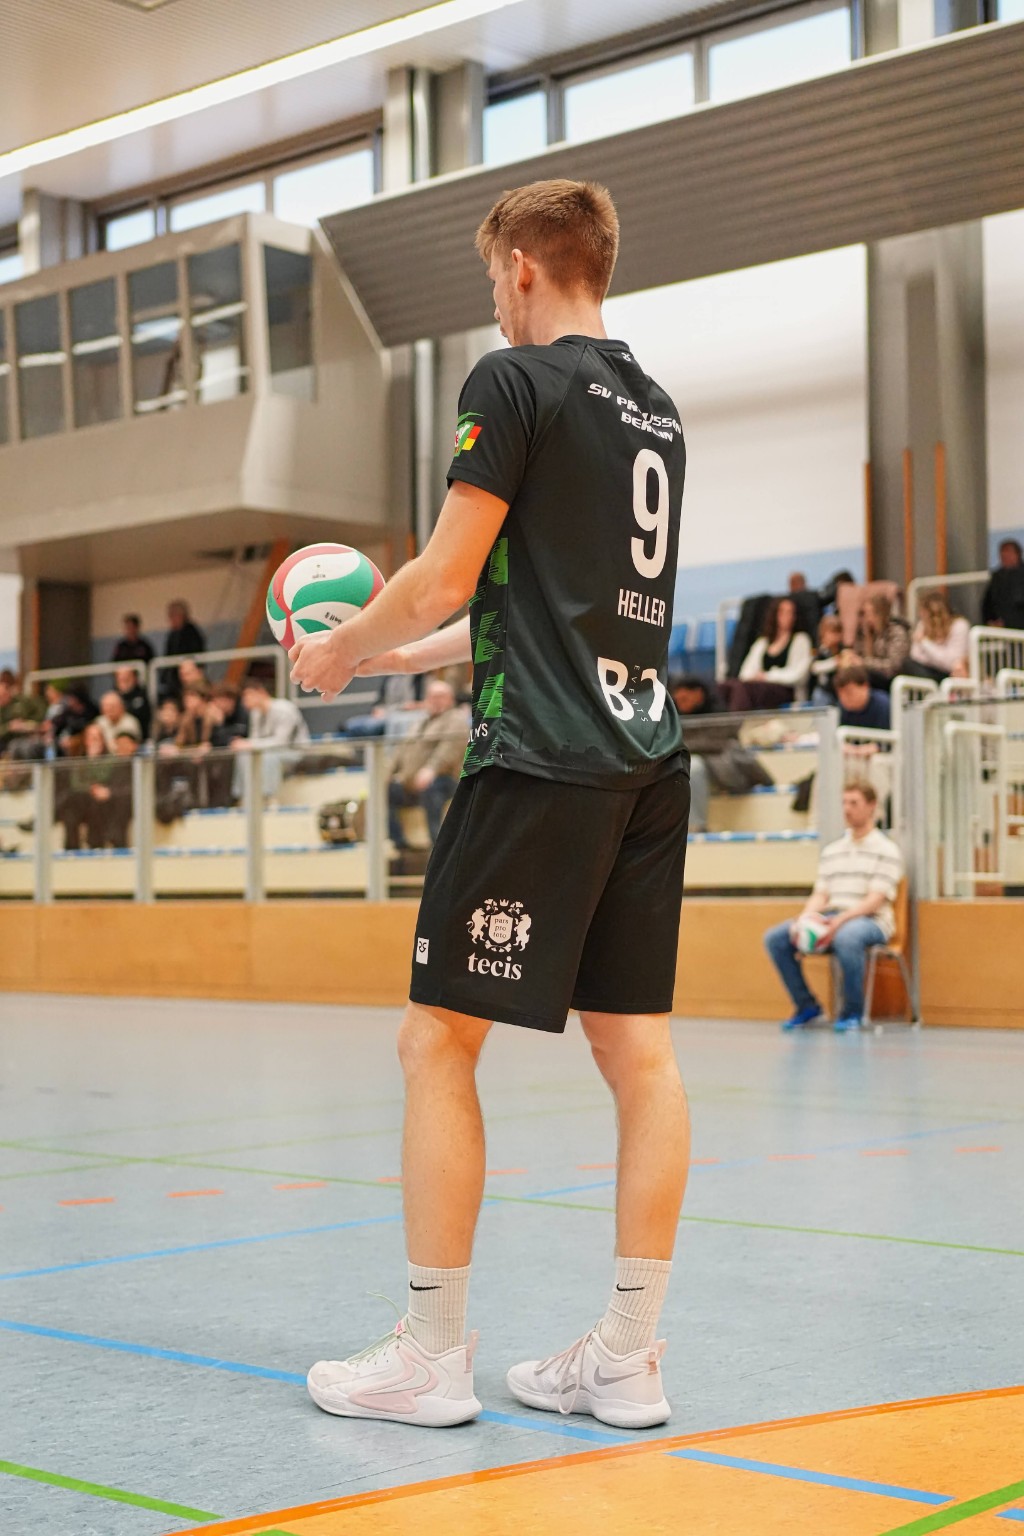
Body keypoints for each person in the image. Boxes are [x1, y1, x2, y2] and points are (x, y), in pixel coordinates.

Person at [290, 179, 690, 1431]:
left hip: (539, 763)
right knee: (640, 1056)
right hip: (644, 758)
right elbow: (532, 606)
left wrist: (342, 646)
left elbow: (443, 575)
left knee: (435, 1043)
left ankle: (431, 1353)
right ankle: (626, 1357)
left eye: (491, 282)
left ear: (521, 266)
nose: (495, 306)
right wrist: (392, 658)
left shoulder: (510, 382)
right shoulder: (654, 411)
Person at [763, 780, 903, 1032]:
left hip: (871, 921)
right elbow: (821, 895)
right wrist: (804, 920)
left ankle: (852, 1012)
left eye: (854, 803)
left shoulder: (887, 850)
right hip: (831, 917)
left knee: (847, 938)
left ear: (871, 806)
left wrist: (839, 922)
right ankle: (806, 1006)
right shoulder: (832, 851)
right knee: (776, 938)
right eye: (844, 803)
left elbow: (874, 900)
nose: (847, 809)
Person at [669, 674, 771, 832]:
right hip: (694, 763)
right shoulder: (673, 716)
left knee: (692, 767)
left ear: (698, 693)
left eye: (684, 699)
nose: (681, 703)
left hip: (721, 766)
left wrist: (683, 746)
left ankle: (696, 827)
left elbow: (717, 743)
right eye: (678, 700)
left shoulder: (719, 713)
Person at [387, 678, 470, 848]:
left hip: (446, 779)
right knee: (388, 791)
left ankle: (438, 845)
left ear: (450, 699)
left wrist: (431, 770)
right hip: (411, 781)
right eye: (432, 696)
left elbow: (448, 751)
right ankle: (401, 844)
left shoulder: (456, 719)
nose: (435, 700)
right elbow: (400, 750)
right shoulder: (420, 722)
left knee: (432, 789)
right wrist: (388, 775)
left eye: (440, 696)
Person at [723, 596, 812, 710]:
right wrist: (757, 677)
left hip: (785, 691)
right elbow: (745, 674)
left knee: (743, 689)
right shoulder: (762, 643)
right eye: (782, 612)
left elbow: (799, 675)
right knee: (726, 687)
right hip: (758, 688)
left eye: (790, 612)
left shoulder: (801, 640)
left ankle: (737, 720)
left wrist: (767, 676)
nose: (787, 616)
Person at [233, 676, 310, 799]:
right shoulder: (255, 713)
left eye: (248, 696)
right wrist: (244, 743)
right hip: (270, 750)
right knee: (244, 754)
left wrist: (250, 744)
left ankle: (268, 797)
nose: (245, 701)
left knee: (269, 756)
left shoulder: (284, 709)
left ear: (260, 692)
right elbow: (255, 739)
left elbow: (281, 742)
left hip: (294, 751)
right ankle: (244, 796)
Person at [851, 591, 909, 690]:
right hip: (872, 676)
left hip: (890, 680)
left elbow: (894, 666)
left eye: (868, 614)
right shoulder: (866, 632)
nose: (866, 619)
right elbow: (859, 654)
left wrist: (864, 663)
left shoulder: (896, 632)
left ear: (879, 614)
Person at [908, 593, 970, 682]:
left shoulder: (960, 626)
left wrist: (925, 643)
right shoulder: (922, 625)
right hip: (929, 670)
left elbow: (951, 663)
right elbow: (915, 655)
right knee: (909, 664)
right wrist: (938, 659)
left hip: (952, 675)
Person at [981, 539, 1024, 631]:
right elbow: (988, 603)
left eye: (1009, 553)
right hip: (1000, 629)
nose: (1005, 556)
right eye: (1002, 554)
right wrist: (991, 621)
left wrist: (1008, 622)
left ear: (1018, 554)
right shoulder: (997, 577)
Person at [835, 665, 891, 731]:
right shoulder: (841, 709)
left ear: (865, 686)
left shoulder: (883, 705)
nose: (844, 698)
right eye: (840, 694)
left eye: (849, 693)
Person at [810, 615, 845, 705]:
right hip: (824, 690)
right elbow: (814, 668)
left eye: (837, 632)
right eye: (831, 633)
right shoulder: (820, 651)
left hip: (839, 688)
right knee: (818, 695)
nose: (834, 637)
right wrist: (834, 663)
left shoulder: (842, 651)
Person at [114, 665, 152, 740]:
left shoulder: (141, 695)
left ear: (134, 678)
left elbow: (142, 714)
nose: (123, 682)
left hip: (140, 737)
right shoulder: (114, 695)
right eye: (120, 679)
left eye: (126, 678)